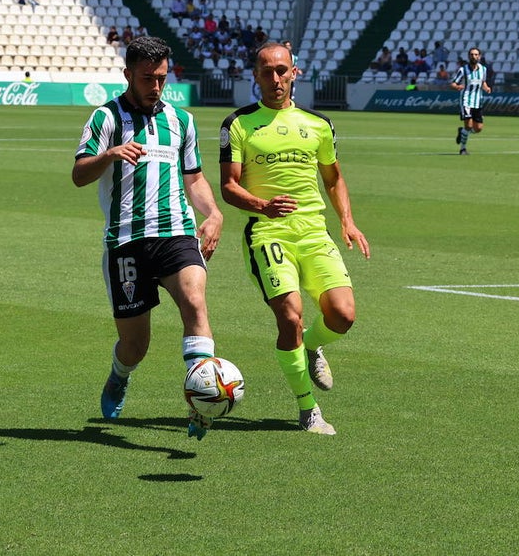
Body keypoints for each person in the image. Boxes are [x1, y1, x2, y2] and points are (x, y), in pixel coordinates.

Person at [72, 36, 225, 441]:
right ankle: (119, 375)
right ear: (127, 75)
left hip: (175, 231)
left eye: (161, 78)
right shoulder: (105, 119)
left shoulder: (182, 121)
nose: (155, 86)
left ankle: (202, 406)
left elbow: (194, 178)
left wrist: (213, 213)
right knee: (135, 345)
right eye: (146, 78)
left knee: (195, 302)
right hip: (126, 241)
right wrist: (109, 155)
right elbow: (79, 174)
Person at [219, 43, 370, 436]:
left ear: (294, 73)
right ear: (255, 74)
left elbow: (333, 177)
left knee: (343, 314)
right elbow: (228, 187)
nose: (274, 79)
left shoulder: (318, 124)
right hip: (267, 232)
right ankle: (308, 408)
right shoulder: (237, 124)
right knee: (290, 317)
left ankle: (312, 347)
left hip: (313, 231)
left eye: (281, 71)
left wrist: (348, 222)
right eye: (266, 71)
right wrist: (261, 205)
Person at [451, 46, 492, 155]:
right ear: (469, 56)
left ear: (479, 56)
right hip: (466, 100)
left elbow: (483, 82)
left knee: (478, 128)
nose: (474, 56)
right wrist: (457, 87)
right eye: (472, 54)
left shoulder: (483, 69)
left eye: (476, 54)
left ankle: (462, 132)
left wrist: (486, 88)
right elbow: (453, 83)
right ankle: (462, 148)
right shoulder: (463, 70)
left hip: (478, 101)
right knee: (468, 125)